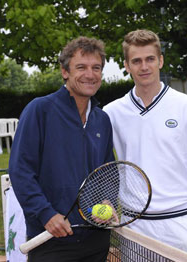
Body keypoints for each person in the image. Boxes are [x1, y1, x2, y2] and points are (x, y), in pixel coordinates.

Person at [103, 29, 187, 257]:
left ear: (160, 61)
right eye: (137, 61)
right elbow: (102, 165)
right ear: (127, 65)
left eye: (150, 59)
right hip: (135, 227)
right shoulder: (112, 113)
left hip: (182, 224)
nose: (144, 67)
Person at [8, 36, 115, 262]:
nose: (90, 74)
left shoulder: (102, 120)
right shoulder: (39, 110)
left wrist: (107, 201)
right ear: (65, 71)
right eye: (81, 67)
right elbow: (20, 171)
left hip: (96, 240)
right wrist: (46, 214)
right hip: (51, 240)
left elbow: (107, 172)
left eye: (96, 68)